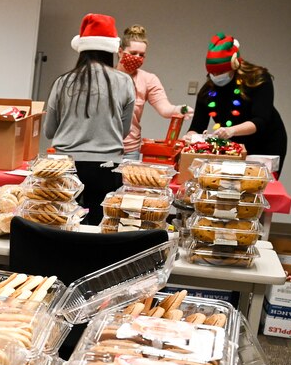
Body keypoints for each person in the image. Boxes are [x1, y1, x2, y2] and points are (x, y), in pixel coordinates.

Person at [44, 13, 135, 225]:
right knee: (100, 226)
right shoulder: (124, 81)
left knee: (62, 224)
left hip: (66, 166)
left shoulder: (63, 81)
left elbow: (49, 131)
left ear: (82, 49)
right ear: (112, 50)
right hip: (107, 166)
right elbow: (123, 131)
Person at [186, 33, 288, 171]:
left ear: (234, 65)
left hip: (266, 142)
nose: (216, 76)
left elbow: (261, 120)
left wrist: (232, 130)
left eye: (221, 72)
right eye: (212, 73)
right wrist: (190, 137)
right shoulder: (208, 92)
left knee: (259, 179)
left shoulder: (258, 80)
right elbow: (197, 126)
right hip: (236, 145)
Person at [117, 25, 191, 157]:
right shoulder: (106, 76)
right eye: (133, 53)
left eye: (141, 55)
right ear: (120, 51)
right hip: (104, 148)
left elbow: (165, 109)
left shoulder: (148, 79)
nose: (137, 57)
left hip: (130, 149)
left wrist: (180, 109)